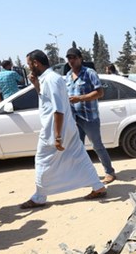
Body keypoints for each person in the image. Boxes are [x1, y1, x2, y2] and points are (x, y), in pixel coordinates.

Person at [19, 50, 107, 209]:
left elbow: (58, 109)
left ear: (36, 63)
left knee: (41, 160)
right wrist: (36, 85)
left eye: (29, 64)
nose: (29, 68)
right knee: (79, 156)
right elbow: (46, 100)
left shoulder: (52, 79)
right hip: (66, 127)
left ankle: (39, 196)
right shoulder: (49, 79)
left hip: (55, 130)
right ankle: (98, 186)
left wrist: (57, 137)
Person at [65, 47, 116, 184]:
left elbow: (99, 93)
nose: (71, 60)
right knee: (78, 148)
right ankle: (83, 174)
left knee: (97, 146)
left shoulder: (89, 73)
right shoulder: (68, 76)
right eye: (69, 58)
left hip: (89, 118)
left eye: (74, 57)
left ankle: (109, 172)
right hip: (75, 119)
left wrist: (80, 98)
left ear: (80, 58)